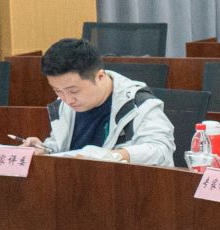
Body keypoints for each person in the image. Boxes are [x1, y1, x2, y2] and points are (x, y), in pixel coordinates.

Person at [37, 37, 176, 166]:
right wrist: (45, 149)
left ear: (100, 77)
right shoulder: (64, 104)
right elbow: (61, 146)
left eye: (74, 91)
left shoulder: (138, 104)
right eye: (57, 90)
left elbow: (161, 150)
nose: (67, 100)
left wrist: (113, 156)